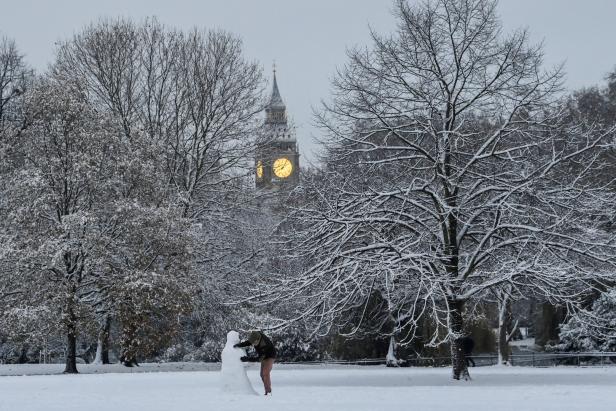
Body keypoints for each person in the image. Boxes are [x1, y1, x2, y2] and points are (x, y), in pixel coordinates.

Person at [234, 330, 276, 395]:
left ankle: (268, 392)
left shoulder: (264, 345)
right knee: (262, 375)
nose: (253, 344)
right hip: (263, 355)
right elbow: (248, 342)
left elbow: (259, 359)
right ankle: (267, 390)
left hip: (269, 356)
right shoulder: (255, 336)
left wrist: (247, 359)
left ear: (259, 339)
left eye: (255, 342)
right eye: (252, 342)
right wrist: (239, 345)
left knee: (265, 373)